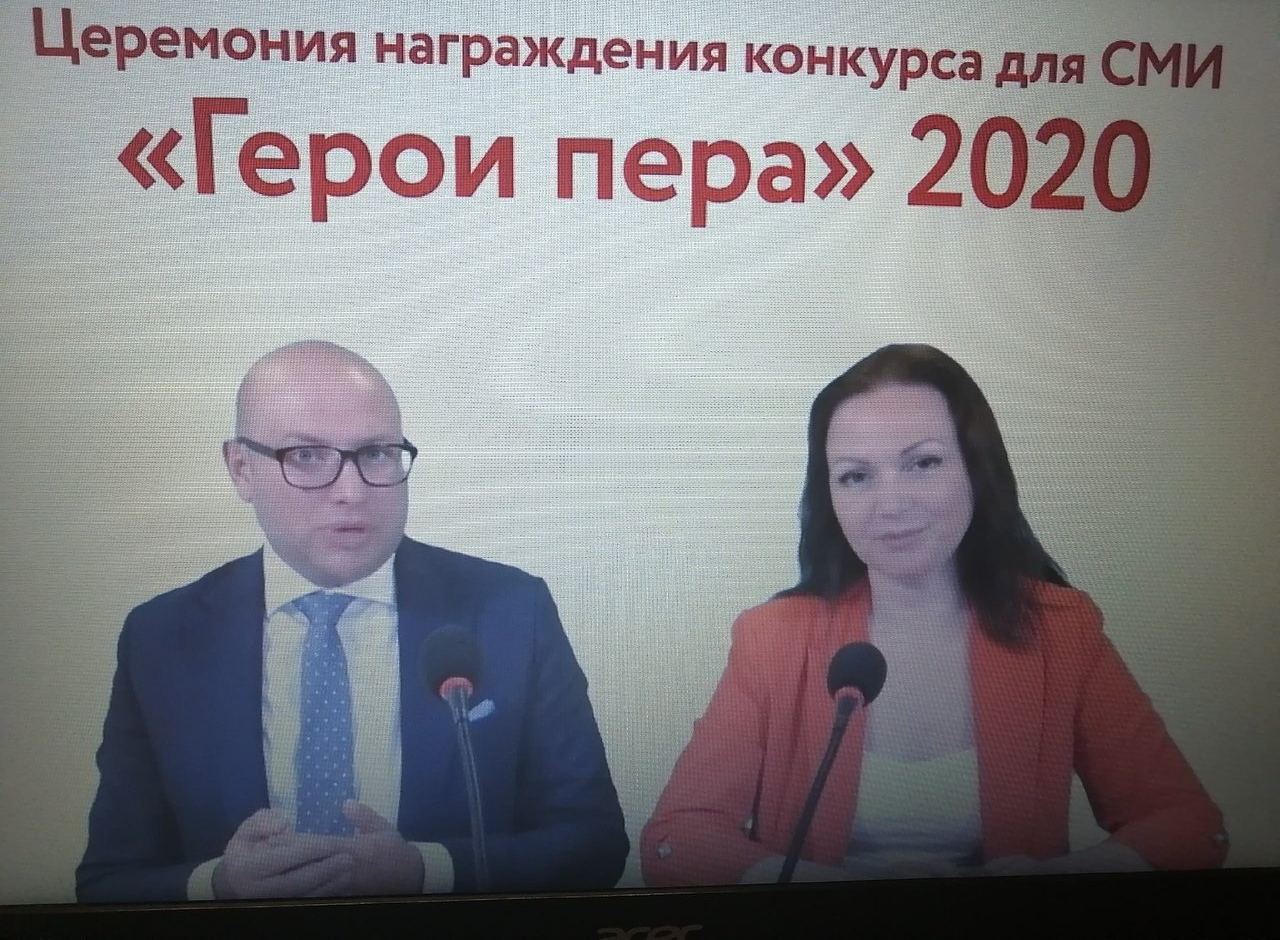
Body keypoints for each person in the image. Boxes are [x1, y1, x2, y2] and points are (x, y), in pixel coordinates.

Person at [641, 344, 1227, 886]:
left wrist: (1061, 878)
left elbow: (1189, 826)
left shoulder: (1062, 630)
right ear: (830, 496)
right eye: (855, 476)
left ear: (976, 470)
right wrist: (838, 893)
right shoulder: (772, 638)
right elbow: (675, 842)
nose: (890, 504)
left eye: (922, 463)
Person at [77, 340, 628, 902]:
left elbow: (594, 843)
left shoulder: (510, 610)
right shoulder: (161, 637)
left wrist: (427, 872)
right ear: (242, 469)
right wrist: (218, 886)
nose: (352, 491)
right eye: (306, 456)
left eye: (377, 454)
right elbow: (109, 881)